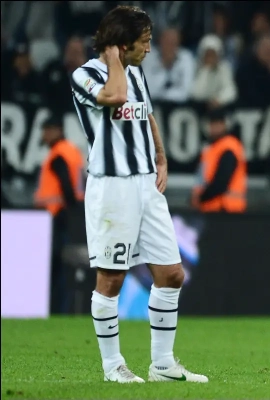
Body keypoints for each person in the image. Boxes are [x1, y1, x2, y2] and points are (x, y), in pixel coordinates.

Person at [69, 6, 208, 383]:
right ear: (121, 43)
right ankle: (113, 366)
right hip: (112, 186)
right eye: (144, 42)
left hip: (146, 184)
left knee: (172, 274)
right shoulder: (85, 75)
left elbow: (145, 113)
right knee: (111, 279)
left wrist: (160, 155)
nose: (148, 49)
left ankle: (162, 365)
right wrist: (114, 58)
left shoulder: (136, 71)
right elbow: (115, 97)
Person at [34, 116, 85, 314]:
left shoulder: (58, 155)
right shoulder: (72, 151)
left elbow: (66, 187)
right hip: (67, 214)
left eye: (47, 131)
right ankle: (59, 308)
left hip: (55, 215)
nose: (44, 136)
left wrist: (69, 208)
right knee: (61, 265)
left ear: (57, 130)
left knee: (55, 266)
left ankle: (56, 308)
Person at [190, 108, 247, 213]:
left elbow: (221, 182)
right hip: (211, 208)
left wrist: (201, 198)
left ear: (224, 125)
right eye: (212, 124)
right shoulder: (210, 148)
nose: (214, 128)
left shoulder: (229, 147)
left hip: (227, 208)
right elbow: (202, 178)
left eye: (218, 124)